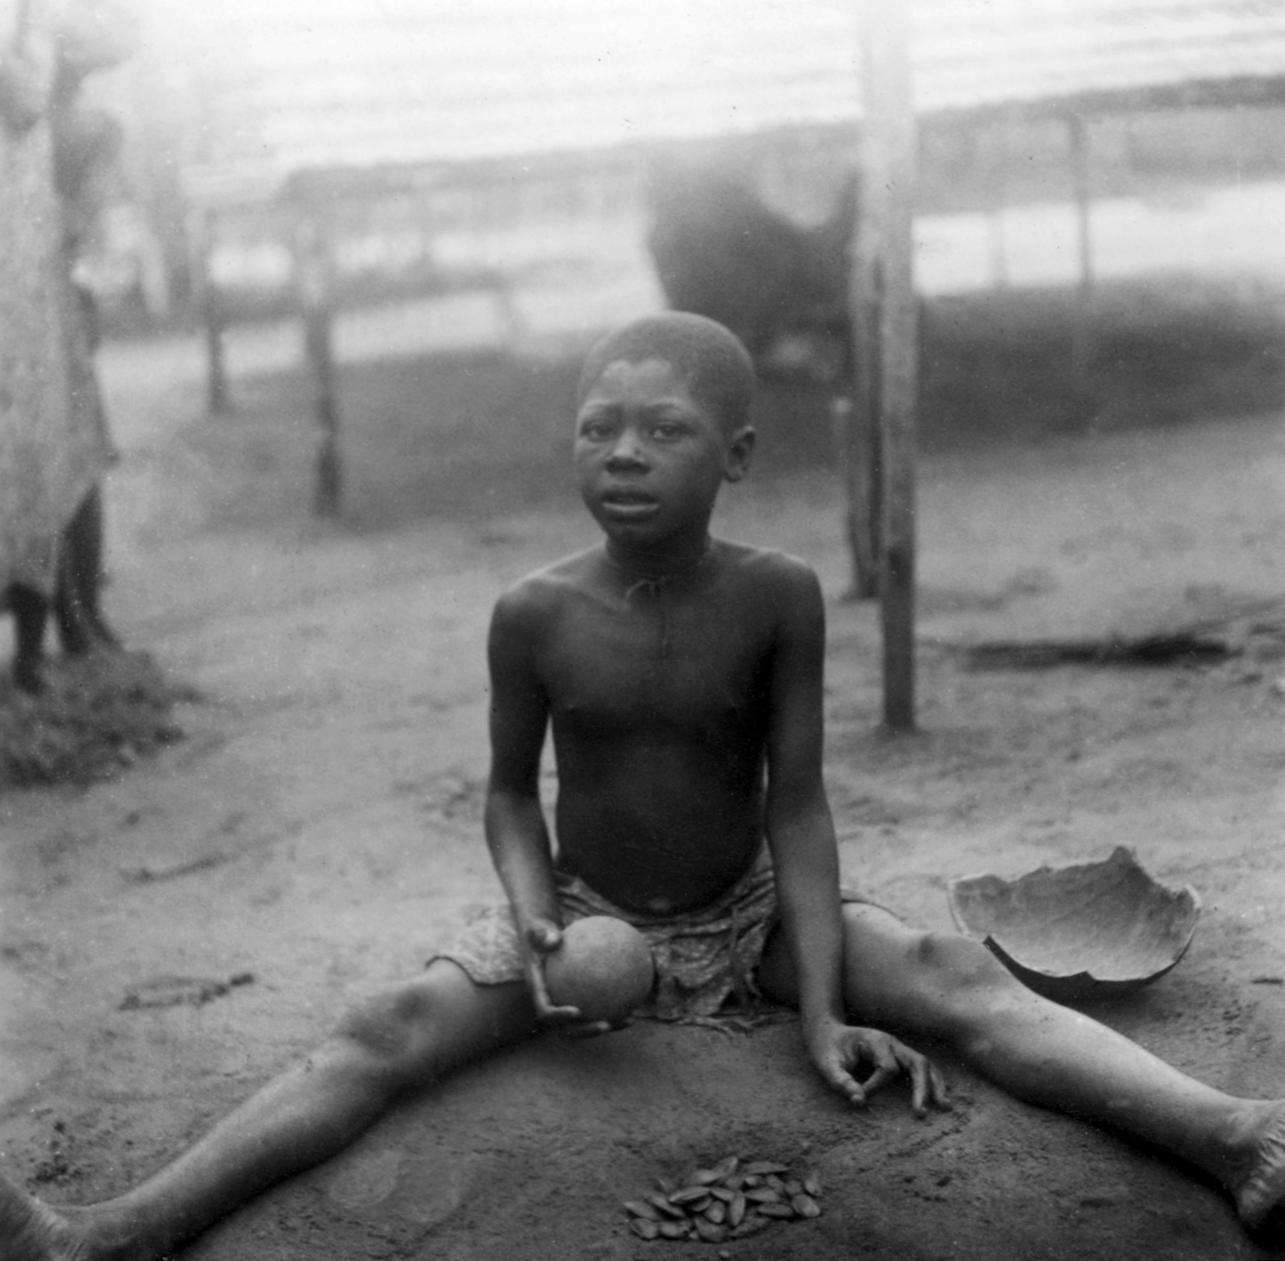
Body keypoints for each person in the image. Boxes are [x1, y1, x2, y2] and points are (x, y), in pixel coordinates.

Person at [3, 312, 1284, 1259]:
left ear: (732, 453)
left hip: (751, 905)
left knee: (954, 979)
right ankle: (107, 1234)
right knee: (386, 1030)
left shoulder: (777, 594)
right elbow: (508, 794)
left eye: (662, 431)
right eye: (597, 429)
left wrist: (824, 1004)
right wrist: (535, 916)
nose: (623, 454)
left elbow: (797, 802)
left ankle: (1237, 1134)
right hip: (585, 906)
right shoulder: (534, 612)